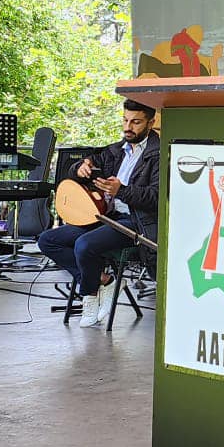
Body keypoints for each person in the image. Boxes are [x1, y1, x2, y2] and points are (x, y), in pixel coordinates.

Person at [36, 100, 161, 327]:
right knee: (47, 240)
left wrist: (121, 191)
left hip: (136, 223)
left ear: (151, 123)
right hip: (105, 217)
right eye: (125, 120)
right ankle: (105, 281)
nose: (128, 127)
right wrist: (80, 168)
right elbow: (78, 167)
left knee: (84, 245)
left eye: (136, 122)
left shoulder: (158, 155)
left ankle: (89, 295)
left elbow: (156, 197)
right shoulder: (116, 150)